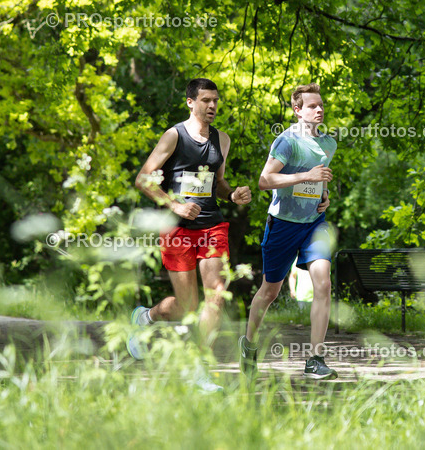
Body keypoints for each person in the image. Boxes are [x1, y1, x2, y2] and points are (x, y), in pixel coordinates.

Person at [127, 78, 251, 392]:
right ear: (190, 102)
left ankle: (199, 368)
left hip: (211, 224)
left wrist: (231, 195)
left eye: (216, 101)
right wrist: (175, 206)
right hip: (176, 229)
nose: (212, 106)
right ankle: (146, 317)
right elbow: (143, 179)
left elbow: (217, 183)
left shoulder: (222, 140)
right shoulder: (174, 136)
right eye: (206, 100)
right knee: (186, 308)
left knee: (216, 294)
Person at [240, 83, 337, 380]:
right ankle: (249, 345)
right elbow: (265, 180)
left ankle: (315, 359)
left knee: (323, 283)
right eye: (311, 106)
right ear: (297, 110)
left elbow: (318, 180)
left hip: (313, 225)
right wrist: (307, 176)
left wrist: (323, 196)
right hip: (282, 225)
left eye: (320, 105)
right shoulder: (287, 142)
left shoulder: (329, 143)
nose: (318, 109)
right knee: (270, 292)